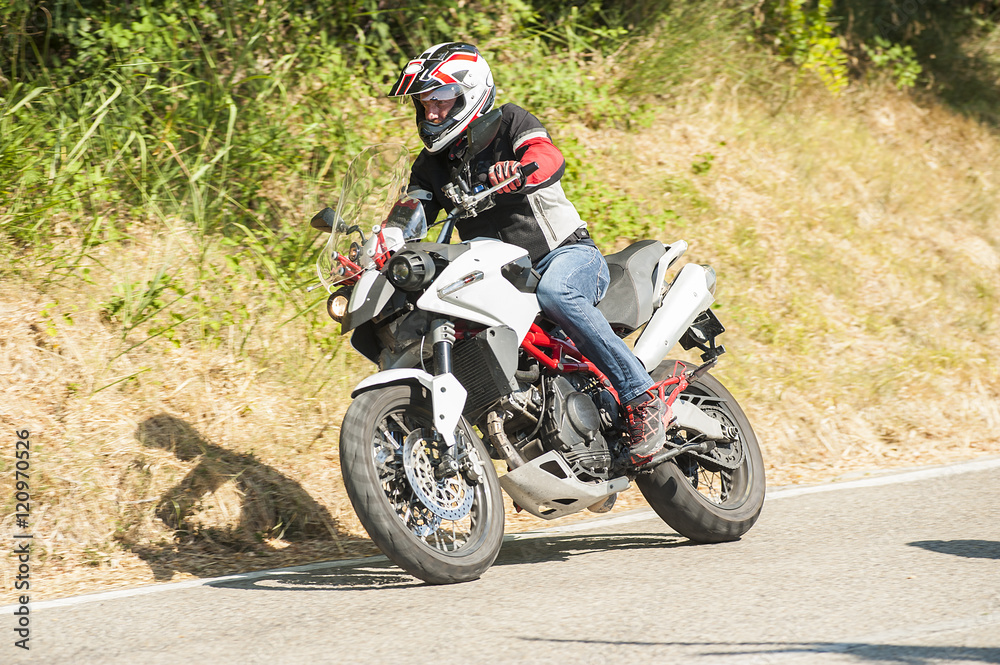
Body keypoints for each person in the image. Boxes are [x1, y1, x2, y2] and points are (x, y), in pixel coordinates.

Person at [388, 42, 667, 465]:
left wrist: (521, 171)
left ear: (470, 92)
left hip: (564, 256)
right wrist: (383, 242)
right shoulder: (431, 166)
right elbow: (411, 215)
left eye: (441, 100)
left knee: (557, 291)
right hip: (505, 274)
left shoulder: (510, 123)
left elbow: (546, 155)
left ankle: (641, 396)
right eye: (425, 103)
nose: (431, 113)